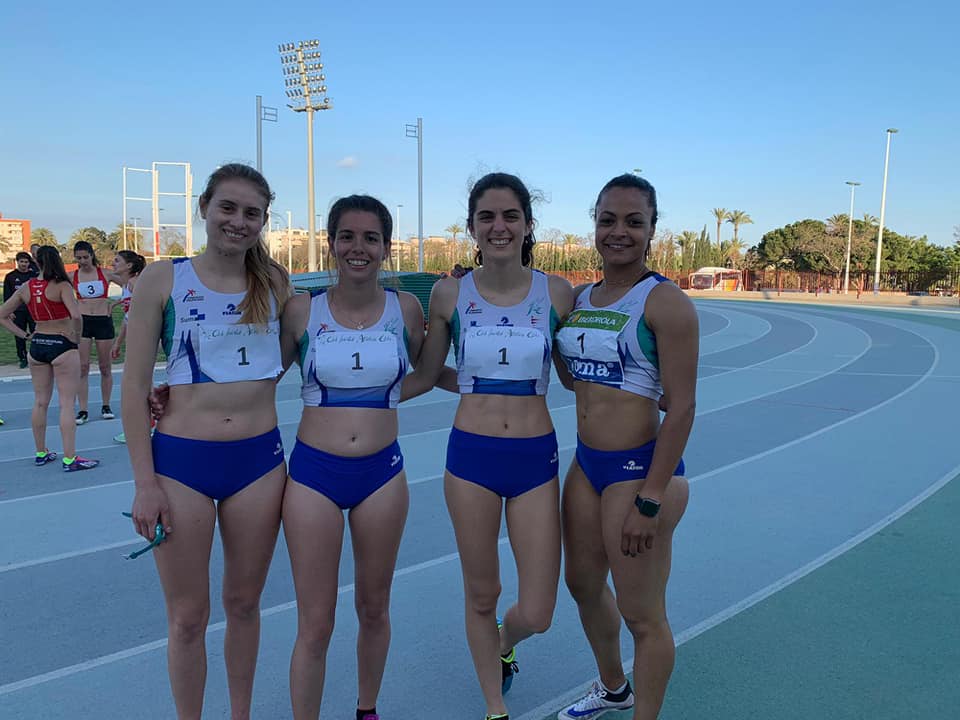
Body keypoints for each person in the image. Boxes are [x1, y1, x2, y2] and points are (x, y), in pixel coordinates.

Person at [122, 163, 292, 720]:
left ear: (264, 220)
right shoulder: (163, 279)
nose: (238, 222)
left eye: (252, 213)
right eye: (228, 208)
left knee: (244, 605)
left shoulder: (278, 283)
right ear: (204, 207)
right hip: (180, 465)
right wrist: (144, 483)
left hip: (258, 464)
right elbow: (133, 387)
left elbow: (284, 359)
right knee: (188, 617)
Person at [403, 172, 574, 720]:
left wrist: (647, 389)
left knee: (540, 609)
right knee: (481, 593)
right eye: (487, 218)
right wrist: (341, 396)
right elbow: (429, 374)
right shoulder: (451, 293)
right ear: (473, 228)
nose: (498, 227)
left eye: (510, 217)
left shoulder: (558, 292)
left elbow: (575, 375)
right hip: (471, 458)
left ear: (527, 226)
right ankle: (495, 707)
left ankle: (506, 640)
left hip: (534, 459)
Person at [553, 174, 698, 720]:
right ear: (594, 225)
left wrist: (651, 498)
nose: (619, 232)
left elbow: (681, 407)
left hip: (639, 473)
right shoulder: (579, 297)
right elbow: (574, 380)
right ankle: (614, 688)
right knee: (583, 586)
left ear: (652, 230)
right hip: (587, 466)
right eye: (607, 220)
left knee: (642, 614)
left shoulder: (666, 303)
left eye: (633, 222)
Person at [279, 195, 424, 720]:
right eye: (347, 236)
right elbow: (257, 377)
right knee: (315, 622)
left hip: (381, 474)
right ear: (331, 242)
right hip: (314, 474)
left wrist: (496, 394)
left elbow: (429, 372)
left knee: (373, 608)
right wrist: (172, 396)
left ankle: (367, 708)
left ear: (386, 247)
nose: (357, 248)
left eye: (370, 238)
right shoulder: (302, 310)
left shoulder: (405, 309)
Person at [0, 245, 99, 470]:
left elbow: (2, 315)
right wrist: (75, 338)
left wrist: (25, 335)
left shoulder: (26, 286)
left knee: (40, 402)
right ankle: (70, 458)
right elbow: (76, 316)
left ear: (37, 263)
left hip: (38, 346)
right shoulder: (62, 286)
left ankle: (41, 452)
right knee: (66, 404)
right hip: (62, 345)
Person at [72, 240, 119, 423]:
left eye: (85, 257)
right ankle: (82, 409)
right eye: (79, 258)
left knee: (105, 366)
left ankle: (106, 404)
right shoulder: (72, 275)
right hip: (83, 322)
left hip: (102, 321)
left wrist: (115, 303)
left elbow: (132, 285)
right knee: (82, 367)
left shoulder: (105, 273)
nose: (83, 261)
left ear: (92, 255)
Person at [109, 250, 147, 444]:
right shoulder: (126, 285)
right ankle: (143, 427)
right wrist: (118, 342)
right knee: (137, 385)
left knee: (136, 386)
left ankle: (142, 428)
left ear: (129, 266)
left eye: (117, 261)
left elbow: (145, 315)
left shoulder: (135, 284)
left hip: (143, 338)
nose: (112, 264)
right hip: (136, 337)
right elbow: (127, 318)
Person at [3, 251, 39, 368]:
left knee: (36, 333)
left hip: (32, 310)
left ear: (29, 263)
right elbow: (7, 295)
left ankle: (36, 356)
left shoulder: (33, 276)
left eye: (26, 262)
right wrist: (9, 311)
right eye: (22, 262)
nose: (24, 264)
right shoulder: (10, 277)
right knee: (19, 335)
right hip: (18, 311)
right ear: (17, 262)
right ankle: (23, 358)